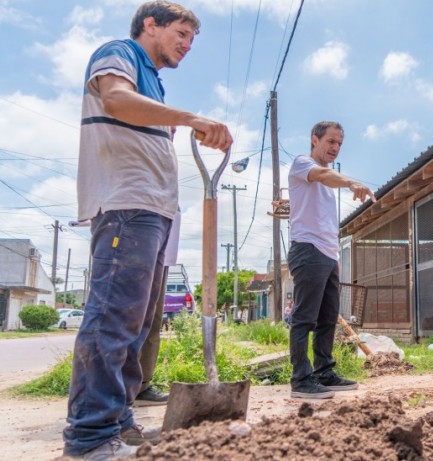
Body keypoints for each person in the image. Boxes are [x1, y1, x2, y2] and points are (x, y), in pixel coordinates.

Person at [64, 2, 233, 459]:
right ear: (150, 25)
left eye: (193, 39)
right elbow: (115, 99)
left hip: (152, 212)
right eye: (181, 33)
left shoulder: (154, 82)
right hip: (126, 205)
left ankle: (119, 422)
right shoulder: (119, 52)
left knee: (136, 325)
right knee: (113, 319)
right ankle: (90, 437)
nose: (187, 44)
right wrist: (191, 118)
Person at [287, 121, 375, 399]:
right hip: (307, 249)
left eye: (339, 144)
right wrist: (351, 182)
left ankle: (324, 372)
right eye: (330, 142)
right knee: (304, 319)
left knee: (327, 319)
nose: (335, 148)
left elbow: (325, 218)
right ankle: (300, 379)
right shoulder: (303, 164)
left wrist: (334, 257)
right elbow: (323, 176)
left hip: (327, 254)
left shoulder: (327, 178)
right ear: (315, 139)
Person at [135, 210, 181, 406]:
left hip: (164, 254)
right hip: (136, 244)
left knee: (153, 321)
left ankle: (142, 385)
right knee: (128, 318)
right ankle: (116, 386)